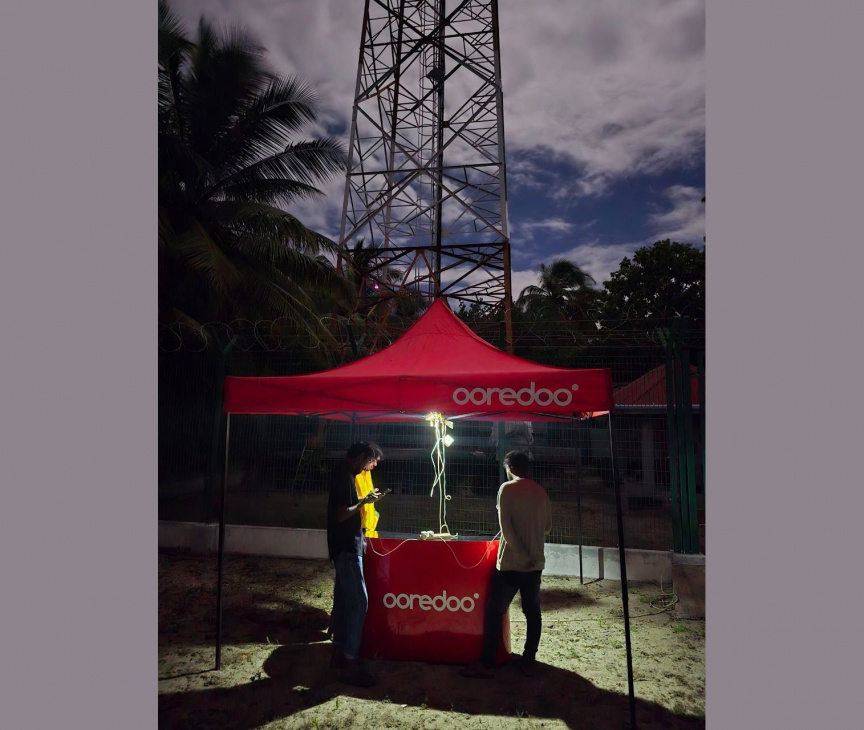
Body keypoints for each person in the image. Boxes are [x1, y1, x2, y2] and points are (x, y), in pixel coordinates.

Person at [462, 450, 552, 679]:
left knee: (495, 611)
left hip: (512, 563)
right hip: (536, 562)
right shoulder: (540, 491)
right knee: (532, 612)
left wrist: (520, 552)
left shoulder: (507, 489)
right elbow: (548, 527)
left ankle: (489, 661)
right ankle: (529, 660)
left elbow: (506, 528)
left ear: (510, 468)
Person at [327, 441, 386, 687]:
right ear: (361, 456)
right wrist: (364, 502)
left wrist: (365, 500)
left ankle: (339, 654)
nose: (370, 467)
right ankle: (350, 664)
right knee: (359, 603)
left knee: (344, 602)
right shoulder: (345, 477)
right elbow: (342, 514)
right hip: (347, 548)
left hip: (345, 547)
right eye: (371, 461)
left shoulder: (346, 474)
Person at [355, 444, 384, 537]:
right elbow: (349, 500)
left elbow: (367, 497)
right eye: (373, 460)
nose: (375, 464)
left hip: (368, 528)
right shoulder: (354, 474)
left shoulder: (367, 473)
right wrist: (366, 499)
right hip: (357, 529)